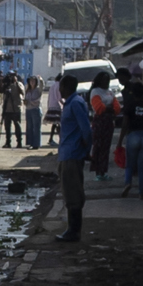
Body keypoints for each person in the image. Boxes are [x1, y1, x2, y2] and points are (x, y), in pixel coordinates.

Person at [53, 73, 95, 241]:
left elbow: (86, 129)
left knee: (73, 193)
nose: (60, 90)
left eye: (61, 87)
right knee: (69, 191)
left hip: (72, 153)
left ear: (66, 87)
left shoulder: (75, 104)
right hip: (67, 153)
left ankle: (74, 231)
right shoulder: (71, 104)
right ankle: (72, 229)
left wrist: (86, 150)